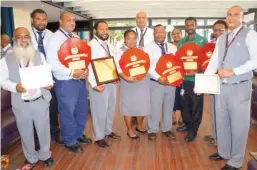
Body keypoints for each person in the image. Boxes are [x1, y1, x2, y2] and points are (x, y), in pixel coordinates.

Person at [206, 6, 257, 170]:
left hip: (239, 86)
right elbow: (214, 61)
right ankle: (224, 152)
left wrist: (233, 71)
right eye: (229, 14)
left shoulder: (250, 35)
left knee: (239, 125)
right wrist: (203, 82)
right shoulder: (222, 38)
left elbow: (255, 61)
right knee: (221, 122)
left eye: (236, 14)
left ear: (243, 17)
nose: (232, 17)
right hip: (221, 87)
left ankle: (235, 161)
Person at [1, 27, 53, 168]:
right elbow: (2, 81)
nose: (23, 40)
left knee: (43, 131)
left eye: (26, 36)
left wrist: (48, 83)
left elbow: (46, 75)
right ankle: (31, 157)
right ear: (13, 39)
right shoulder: (5, 60)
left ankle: (45, 155)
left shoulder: (39, 55)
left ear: (30, 38)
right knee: (25, 133)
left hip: (39, 101)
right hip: (20, 103)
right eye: (19, 36)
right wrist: (15, 87)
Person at [46, 12, 91, 153]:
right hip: (66, 82)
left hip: (80, 81)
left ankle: (78, 133)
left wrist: (85, 71)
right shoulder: (55, 40)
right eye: (68, 20)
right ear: (60, 21)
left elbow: (84, 57)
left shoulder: (76, 37)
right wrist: (72, 72)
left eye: (73, 20)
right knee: (67, 113)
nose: (72, 22)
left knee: (81, 110)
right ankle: (69, 140)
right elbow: (52, 63)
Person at [29, 9, 63, 147]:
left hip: (50, 78)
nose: (41, 22)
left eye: (44, 19)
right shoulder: (26, 35)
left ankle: (54, 134)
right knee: (35, 109)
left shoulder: (52, 36)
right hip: (32, 79)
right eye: (38, 19)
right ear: (32, 20)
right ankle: (36, 139)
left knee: (53, 107)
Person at [88, 21, 121, 148]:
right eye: (102, 29)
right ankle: (99, 136)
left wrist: (116, 75)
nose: (105, 32)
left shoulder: (108, 44)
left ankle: (108, 130)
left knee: (110, 108)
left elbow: (113, 61)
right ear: (95, 31)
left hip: (111, 81)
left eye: (106, 29)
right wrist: (93, 83)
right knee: (99, 111)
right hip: (99, 84)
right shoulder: (91, 46)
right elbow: (89, 66)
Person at [176, 17, 208, 143]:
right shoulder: (181, 42)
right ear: (185, 26)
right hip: (184, 79)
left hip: (197, 79)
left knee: (196, 106)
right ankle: (188, 124)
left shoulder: (202, 41)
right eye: (187, 25)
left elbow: (207, 61)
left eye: (192, 24)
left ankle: (193, 131)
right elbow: (178, 60)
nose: (189, 27)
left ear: (196, 25)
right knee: (185, 105)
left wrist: (198, 71)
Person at [114, 30, 150, 139]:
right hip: (128, 82)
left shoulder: (141, 51)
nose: (132, 41)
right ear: (125, 39)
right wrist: (127, 78)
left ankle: (139, 126)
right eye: (129, 38)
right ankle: (130, 130)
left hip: (142, 82)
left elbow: (147, 64)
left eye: (134, 38)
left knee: (142, 105)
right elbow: (118, 69)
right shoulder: (119, 52)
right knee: (128, 107)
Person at [144, 24, 177, 141]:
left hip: (171, 83)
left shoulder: (173, 47)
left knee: (169, 106)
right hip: (156, 82)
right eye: (156, 32)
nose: (159, 34)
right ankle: (152, 129)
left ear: (165, 33)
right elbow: (148, 66)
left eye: (161, 32)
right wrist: (158, 77)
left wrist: (175, 78)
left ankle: (167, 129)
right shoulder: (148, 48)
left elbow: (176, 64)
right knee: (154, 107)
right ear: (153, 34)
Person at [204, 19, 228, 146]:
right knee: (213, 110)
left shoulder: (228, 44)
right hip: (212, 81)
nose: (218, 32)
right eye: (216, 30)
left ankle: (220, 139)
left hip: (224, 83)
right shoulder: (212, 44)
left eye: (221, 30)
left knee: (221, 113)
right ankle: (215, 134)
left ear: (227, 30)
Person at [170, 28, 183, 126]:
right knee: (173, 96)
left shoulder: (185, 45)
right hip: (173, 74)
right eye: (174, 34)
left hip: (185, 75)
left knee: (183, 96)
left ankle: (182, 117)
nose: (176, 35)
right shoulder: (168, 46)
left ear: (181, 34)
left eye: (178, 33)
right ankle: (173, 116)